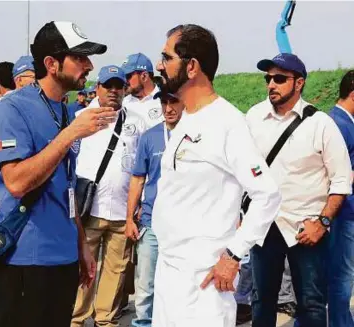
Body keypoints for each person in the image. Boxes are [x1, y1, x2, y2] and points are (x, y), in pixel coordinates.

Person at [151, 24, 282, 327]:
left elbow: (267, 195)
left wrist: (233, 256)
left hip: (204, 279)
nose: (160, 65)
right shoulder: (186, 119)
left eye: (167, 57)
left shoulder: (227, 123)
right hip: (170, 270)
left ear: (192, 66)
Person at [0, 21, 116, 327]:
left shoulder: (62, 108)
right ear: (51, 63)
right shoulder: (13, 109)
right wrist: (70, 134)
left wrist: (80, 242)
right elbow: (17, 182)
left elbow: (66, 186)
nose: (89, 65)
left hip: (63, 256)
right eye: (80, 57)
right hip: (26, 258)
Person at [245, 53, 352, 327]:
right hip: (264, 225)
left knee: (312, 304)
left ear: (299, 83)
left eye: (280, 78)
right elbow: (242, 170)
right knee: (261, 302)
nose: (271, 84)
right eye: (268, 78)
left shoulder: (320, 124)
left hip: (306, 228)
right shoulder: (254, 118)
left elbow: (341, 181)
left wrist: (323, 222)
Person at [72, 65, 146, 327]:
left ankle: (105, 319)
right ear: (97, 88)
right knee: (84, 270)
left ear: (125, 89)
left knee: (116, 270)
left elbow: (142, 166)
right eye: (108, 86)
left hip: (122, 211)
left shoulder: (136, 123)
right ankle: (77, 318)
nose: (113, 91)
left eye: (118, 86)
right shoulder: (80, 118)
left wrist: (137, 206)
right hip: (89, 210)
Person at [125, 89, 184, 327]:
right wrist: (130, 218)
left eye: (174, 102)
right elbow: (138, 178)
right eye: (165, 102)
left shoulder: (194, 135)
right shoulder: (150, 137)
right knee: (146, 285)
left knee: (179, 286)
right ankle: (143, 323)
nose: (168, 108)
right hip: (151, 223)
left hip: (183, 227)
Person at [328, 69, 354, 327]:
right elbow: (335, 173)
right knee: (341, 277)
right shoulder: (338, 124)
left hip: (346, 212)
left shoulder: (343, 122)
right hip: (342, 214)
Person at [122, 53, 163, 128]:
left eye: (127, 76)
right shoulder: (123, 104)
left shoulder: (167, 101)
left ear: (144, 76)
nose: (124, 81)